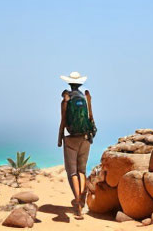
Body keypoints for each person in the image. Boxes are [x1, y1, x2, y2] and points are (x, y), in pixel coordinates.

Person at [57, 71, 96, 219]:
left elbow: (63, 121)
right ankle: (81, 201)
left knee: (72, 172)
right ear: (80, 83)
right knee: (82, 171)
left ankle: (78, 203)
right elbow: (90, 117)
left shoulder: (66, 100)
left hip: (72, 139)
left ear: (69, 83)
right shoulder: (84, 99)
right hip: (85, 138)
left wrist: (60, 138)